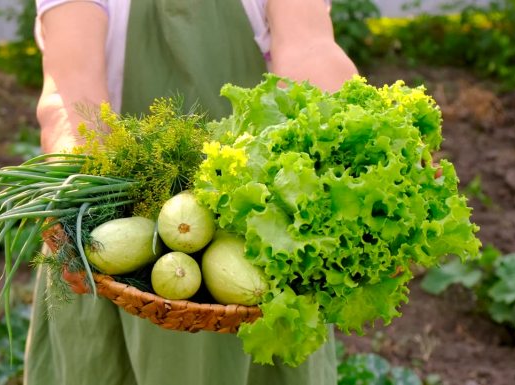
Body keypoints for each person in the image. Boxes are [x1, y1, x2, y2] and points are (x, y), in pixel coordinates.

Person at [25, 1, 358, 384]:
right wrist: (82, 206)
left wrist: (350, 150)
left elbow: (309, 48)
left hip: (259, 242)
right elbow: (72, 99)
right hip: (123, 243)